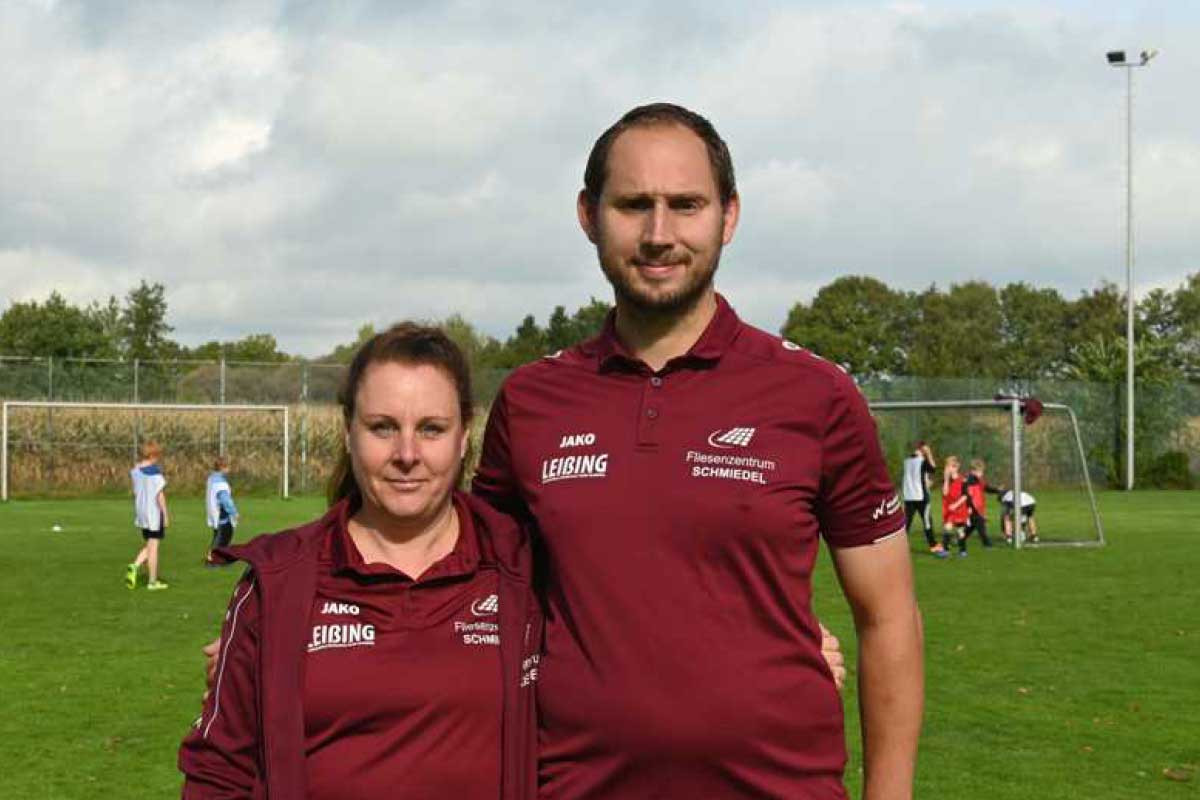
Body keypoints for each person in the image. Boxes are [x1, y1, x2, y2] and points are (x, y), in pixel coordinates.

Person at [473, 103, 922, 799]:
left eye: (686, 205)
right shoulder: (532, 402)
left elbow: (888, 616)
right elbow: (465, 593)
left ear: (728, 216)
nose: (659, 234)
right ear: (589, 216)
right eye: (633, 205)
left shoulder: (817, 395)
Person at [180, 324, 543, 799]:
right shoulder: (278, 582)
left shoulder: (525, 566)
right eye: (382, 427)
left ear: (463, 436)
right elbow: (217, 775)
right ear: (349, 431)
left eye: (431, 429)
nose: (406, 454)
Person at [126, 440, 170, 590]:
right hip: (154, 513)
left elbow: (135, 491)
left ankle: (135, 566)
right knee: (154, 547)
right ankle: (152, 581)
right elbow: (160, 495)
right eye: (157, 456)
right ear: (152, 455)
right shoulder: (155, 473)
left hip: (142, 513)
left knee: (150, 544)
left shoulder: (136, 471)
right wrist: (166, 513)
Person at [902, 440, 942, 556]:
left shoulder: (907, 461)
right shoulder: (921, 461)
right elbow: (933, 469)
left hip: (909, 496)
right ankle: (933, 546)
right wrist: (929, 454)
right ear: (923, 449)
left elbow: (916, 476)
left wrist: (926, 481)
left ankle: (897, 547)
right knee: (927, 521)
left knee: (906, 523)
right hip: (921, 496)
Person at [203, 456, 239, 566]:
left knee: (218, 536)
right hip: (221, 515)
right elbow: (225, 500)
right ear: (223, 467)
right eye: (228, 467)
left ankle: (220, 558)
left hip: (214, 512)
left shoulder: (211, 479)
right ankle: (212, 559)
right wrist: (234, 512)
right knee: (224, 536)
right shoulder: (221, 484)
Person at [962, 459, 1001, 551]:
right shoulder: (969, 480)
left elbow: (986, 487)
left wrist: (997, 490)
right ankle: (987, 544)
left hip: (978, 506)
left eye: (982, 472)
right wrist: (969, 506)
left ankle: (960, 538)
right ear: (973, 471)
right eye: (980, 471)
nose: (982, 474)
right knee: (981, 525)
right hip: (973, 507)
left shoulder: (978, 480)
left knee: (971, 526)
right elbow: (967, 494)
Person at [941, 456, 971, 558]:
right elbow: (944, 493)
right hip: (949, 509)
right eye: (947, 466)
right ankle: (946, 550)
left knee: (960, 531)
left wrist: (956, 504)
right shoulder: (947, 480)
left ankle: (963, 551)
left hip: (959, 508)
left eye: (949, 466)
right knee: (947, 528)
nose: (948, 469)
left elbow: (965, 496)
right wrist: (945, 479)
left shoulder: (963, 480)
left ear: (956, 467)